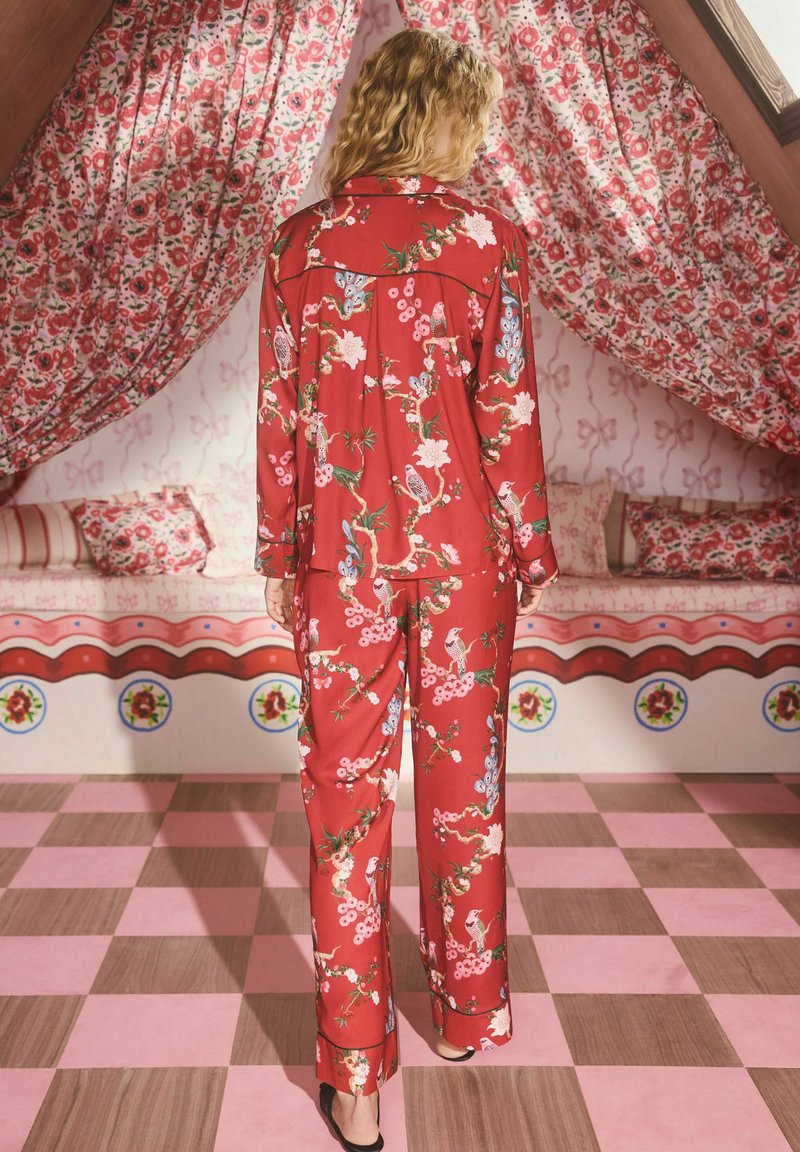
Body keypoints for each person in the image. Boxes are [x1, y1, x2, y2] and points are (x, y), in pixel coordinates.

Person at [255, 28, 559, 1152]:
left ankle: (353, 1080)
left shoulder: (297, 244)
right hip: (465, 555)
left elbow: (280, 417)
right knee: (463, 796)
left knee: (342, 809)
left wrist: (277, 553)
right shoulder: (488, 240)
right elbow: (507, 410)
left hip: (337, 557)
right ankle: (466, 1014)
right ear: (447, 117)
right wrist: (531, 549)